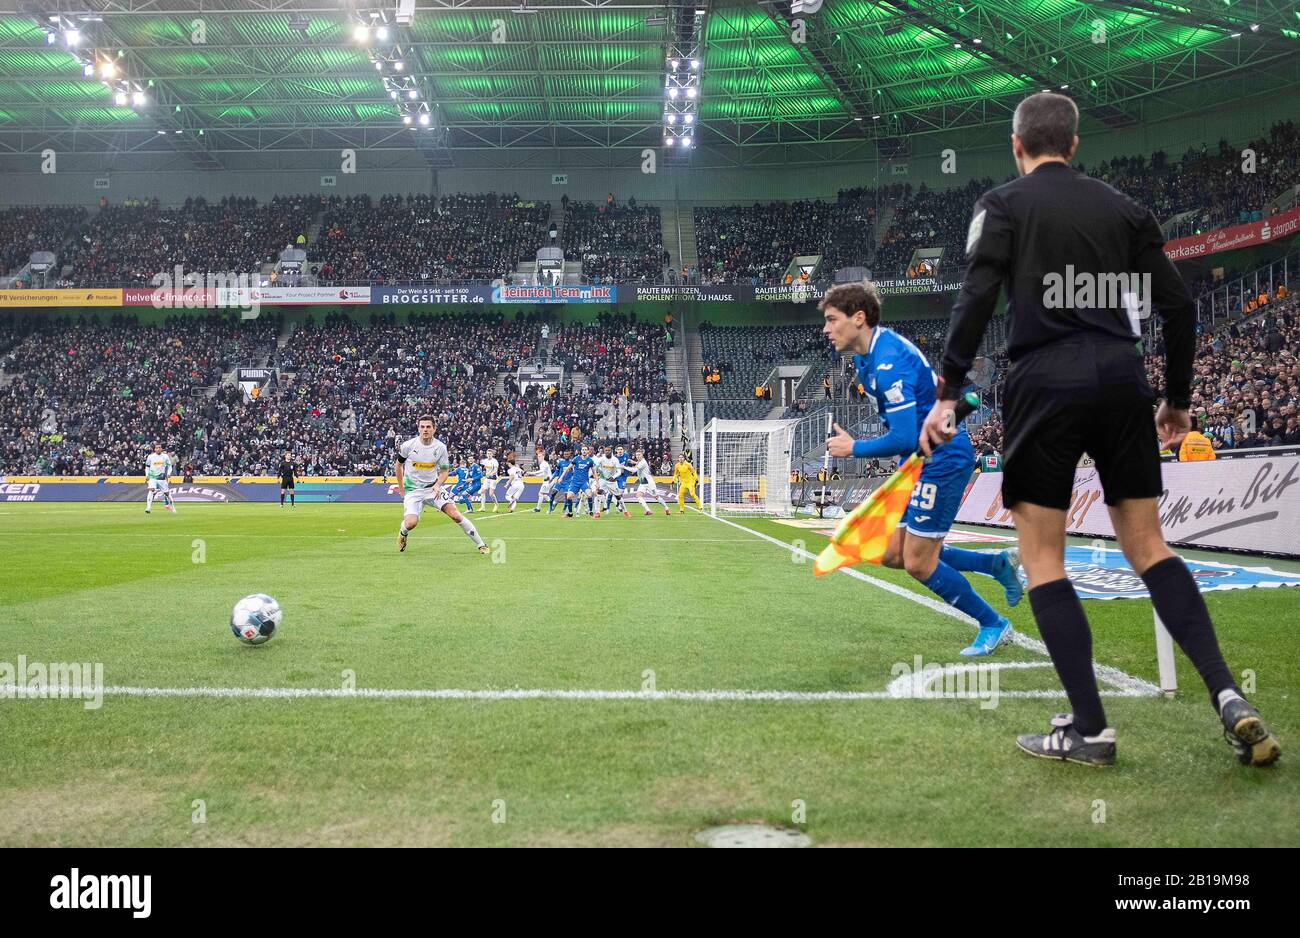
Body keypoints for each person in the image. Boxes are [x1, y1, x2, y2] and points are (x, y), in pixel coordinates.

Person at [919, 91, 1278, 767]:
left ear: (1018, 145)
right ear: (1075, 144)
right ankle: (1228, 692)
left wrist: (948, 390)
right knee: (1148, 546)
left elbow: (976, 296)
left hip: (1043, 381)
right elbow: (1177, 305)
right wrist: (1176, 398)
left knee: (1044, 560)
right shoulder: (1126, 209)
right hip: (1120, 377)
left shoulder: (1002, 205)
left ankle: (1089, 728)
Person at [821, 282, 1022, 659]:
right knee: (892, 553)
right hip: (917, 460)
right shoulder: (866, 361)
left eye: (832, 320)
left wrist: (855, 448)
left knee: (918, 561)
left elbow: (904, 434)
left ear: (858, 318)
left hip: (942, 459)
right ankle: (994, 563)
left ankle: (993, 623)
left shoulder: (887, 360)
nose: (826, 329)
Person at [394, 416, 487, 555]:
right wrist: (402, 489)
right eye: (422, 427)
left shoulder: (440, 447)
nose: (425, 429)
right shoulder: (408, 446)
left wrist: (437, 485)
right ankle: (403, 532)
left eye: (428, 427)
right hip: (413, 490)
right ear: (418, 428)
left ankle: (481, 544)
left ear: (434, 429)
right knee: (411, 523)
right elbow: (398, 466)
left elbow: (444, 472)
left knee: (455, 515)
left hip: (433, 488)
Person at [631, 447, 672, 515]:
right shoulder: (639, 462)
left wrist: (624, 467)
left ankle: (667, 508)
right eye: (637, 455)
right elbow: (637, 466)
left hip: (649, 482)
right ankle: (648, 510)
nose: (638, 456)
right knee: (638, 495)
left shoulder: (643, 462)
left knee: (656, 497)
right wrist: (634, 462)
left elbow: (635, 470)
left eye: (639, 455)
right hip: (643, 481)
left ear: (642, 455)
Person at [144, 442, 175, 514]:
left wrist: (169, 473)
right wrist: (147, 475)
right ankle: (148, 508)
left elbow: (169, 466)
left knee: (167, 493)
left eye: (159, 448)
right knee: (151, 490)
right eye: (156, 448)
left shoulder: (165, 456)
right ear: (154, 449)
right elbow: (147, 467)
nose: (158, 449)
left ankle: (172, 507)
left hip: (162, 478)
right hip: (153, 477)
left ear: (161, 449)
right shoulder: (150, 457)